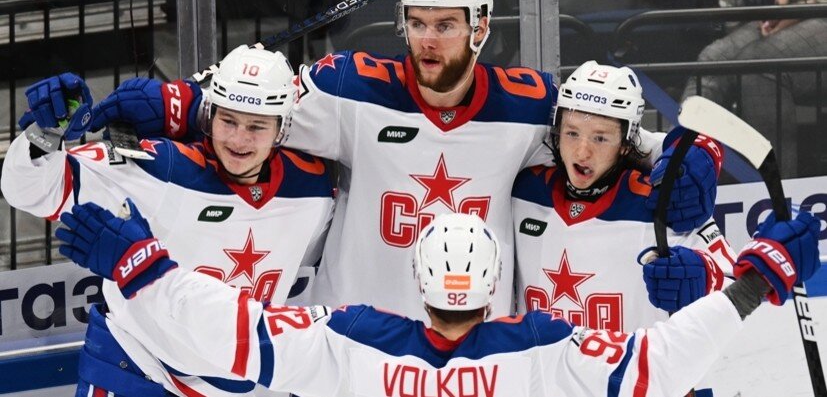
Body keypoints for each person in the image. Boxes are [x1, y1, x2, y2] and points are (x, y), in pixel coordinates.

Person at [86, 0, 723, 321]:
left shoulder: (529, 105)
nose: (427, 40)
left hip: (474, 350)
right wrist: (177, 103)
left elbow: (618, 135)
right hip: (353, 342)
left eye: (445, 25)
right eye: (417, 23)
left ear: (480, 28)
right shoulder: (351, 89)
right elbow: (253, 109)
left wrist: (696, 157)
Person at [56, 201, 821, 397]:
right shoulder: (544, 346)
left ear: (420, 279)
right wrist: (758, 278)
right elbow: (662, 361)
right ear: (491, 283)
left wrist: (142, 268)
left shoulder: (351, 338)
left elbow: (235, 333)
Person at [0, 46, 334, 396]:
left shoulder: (313, 190)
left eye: (257, 126)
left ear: (282, 128)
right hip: (138, 372)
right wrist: (46, 132)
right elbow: (33, 190)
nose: (238, 139)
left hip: (243, 385)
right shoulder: (163, 169)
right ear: (209, 114)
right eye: (228, 121)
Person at [512, 61, 734, 332]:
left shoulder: (662, 202)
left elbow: (739, 283)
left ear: (627, 143)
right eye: (572, 133)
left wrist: (706, 276)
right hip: (538, 362)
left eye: (600, 138)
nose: (582, 152)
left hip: (632, 362)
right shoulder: (522, 191)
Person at [681, 0, 827, 178]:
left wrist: (800, 11)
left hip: (815, 9)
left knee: (762, 65)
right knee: (714, 58)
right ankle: (675, 174)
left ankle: (775, 192)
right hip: (796, 5)